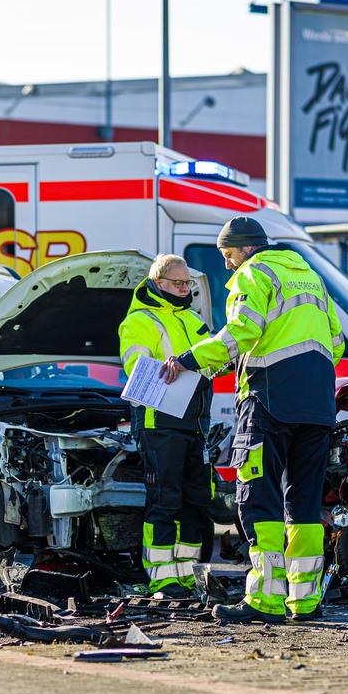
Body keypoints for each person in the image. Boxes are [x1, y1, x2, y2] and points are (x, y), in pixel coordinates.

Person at [160, 217, 345, 623]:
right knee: (304, 504)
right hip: (318, 405)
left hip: (270, 401)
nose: (227, 264)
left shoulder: (253, 273)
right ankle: (304, 601)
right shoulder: (310, 278)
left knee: (258, 497)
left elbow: (242, 331)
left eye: (228, 255)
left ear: (245, 248)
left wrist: (190, 359)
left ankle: (265, 599)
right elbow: (336, 342)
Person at [119, 254, 214, 598]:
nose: (185, 288)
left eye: (187, 283)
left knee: (195, 503)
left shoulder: (193, 318)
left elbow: (213, 361)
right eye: (178, 283)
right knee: (165, 501)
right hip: (159, 423)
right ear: (158, 283)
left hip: (195, 423)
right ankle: (162, 578)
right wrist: (170, 367)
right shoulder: (140, 320)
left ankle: (187, 576)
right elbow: (135, 365)